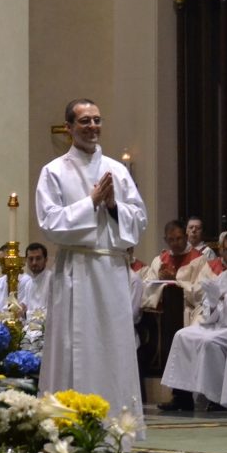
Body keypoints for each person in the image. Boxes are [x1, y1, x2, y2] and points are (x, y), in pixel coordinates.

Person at [36, 98, 147, 426]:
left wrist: (113, 207)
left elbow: (139, 221)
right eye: (84, 121)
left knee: (113, 348)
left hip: (111, 272)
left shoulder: (118, 170)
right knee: (75, 347)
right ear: (69, 127)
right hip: (77, 271)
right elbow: (50, 223)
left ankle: (116, 424)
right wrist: (91, 202)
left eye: (97, 120)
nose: (93, 127)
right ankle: (69, 422)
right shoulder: (53, 171)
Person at [159, 230, 227, 412]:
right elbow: (209, 312)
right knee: (182, 335)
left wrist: (224, 298)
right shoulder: (222, 276)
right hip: (220, 325)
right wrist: (211, 300)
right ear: (222, 252)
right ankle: (182, 396)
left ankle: (218, 399)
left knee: (210, 342)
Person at [142, 219, 202, 315]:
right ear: (165, 240)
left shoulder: (199, 259)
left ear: (186, 237)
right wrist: (160, 282)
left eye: (179, 238)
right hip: (162, 313)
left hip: (188, 311)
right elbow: (147, 290)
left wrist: (175, 282)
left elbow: (200, 293)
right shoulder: (159, 261)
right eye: (171, 239)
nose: (175, 243)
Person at [21, 242, 53, 314]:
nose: (34, 262)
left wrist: (27, 314)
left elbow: (53, 312)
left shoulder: (52, 279)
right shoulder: (28, 284)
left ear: (46, 260)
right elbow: (24, 306)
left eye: (38, 258)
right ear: (26, 260)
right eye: (31, 259)